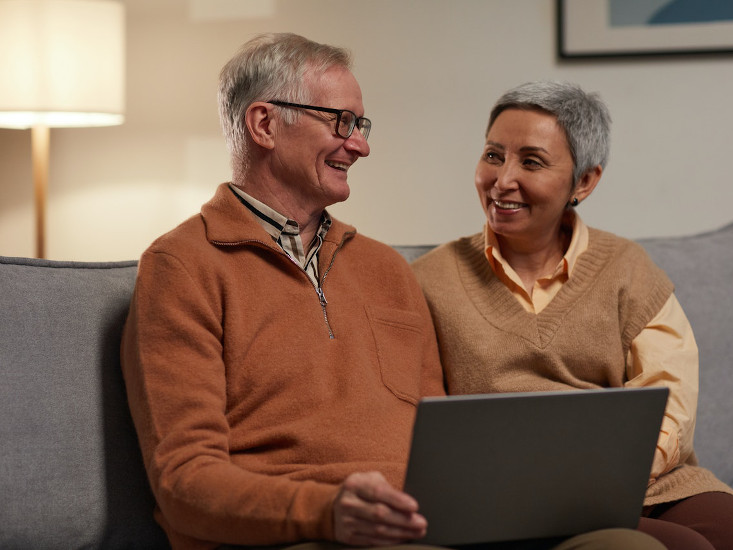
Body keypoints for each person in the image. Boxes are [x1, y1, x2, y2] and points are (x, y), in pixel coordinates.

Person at [120, 34, 664, 550]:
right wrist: (328, 510)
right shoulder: (182, 266)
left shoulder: (385, 268)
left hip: (431, 522)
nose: (360, 145)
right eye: (342, 122)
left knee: (626, 544)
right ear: (264, 124)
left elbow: (442, 439)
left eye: (361, 124)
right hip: (298, 533)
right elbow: (184, 480)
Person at [411, 80, 733, 550]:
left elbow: (670, 397)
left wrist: (619, 474)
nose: (502, 179)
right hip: (517, 499)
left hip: (653, 481)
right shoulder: (427, 281)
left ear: (584, 181)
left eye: (531, 161)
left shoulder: (628, 267)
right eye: (493, 155)